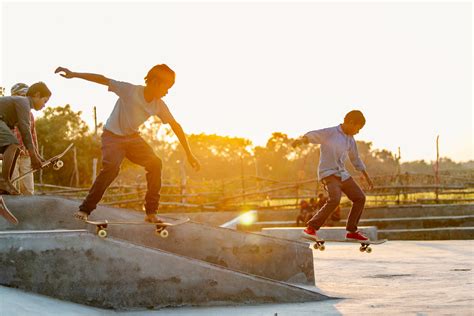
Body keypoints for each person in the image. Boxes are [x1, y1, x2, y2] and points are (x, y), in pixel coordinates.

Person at [55, 65, 200, 223]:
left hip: (133, 139)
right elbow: (102, 79)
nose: (167, 92)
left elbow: (176, 126)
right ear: (155, 82)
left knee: (155, 163)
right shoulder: (129, 90)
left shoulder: (159, 105)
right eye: (167, 87)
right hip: (112, 137)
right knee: (111, 169)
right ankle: (85, 210)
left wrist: (189, 153)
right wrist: (74, 74)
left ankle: (151, 213)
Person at [292, 110, 374, 242]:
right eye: (357, 129)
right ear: (351, 123)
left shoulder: (351, 140)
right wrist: (302, 140)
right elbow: (314, 135)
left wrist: (366, 176)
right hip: (328, 173)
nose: (357, 132)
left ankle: (352, 231)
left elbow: (355, 159)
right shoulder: (331, 132)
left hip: (342, 174)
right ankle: (311, 228)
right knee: (335, 199)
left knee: (360, 198)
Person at [0, 82, 50, 194]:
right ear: (37, 95)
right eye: (44, 101)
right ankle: (4, 180)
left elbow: (25, 134)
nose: (44, 105)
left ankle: (4, 184)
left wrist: (36, 155)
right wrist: (33, 156)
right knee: (13, 143)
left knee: (15, 147)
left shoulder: (18, 107)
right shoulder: (23, 102)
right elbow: (25, 130)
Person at [10, 83, 39, 195]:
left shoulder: (30, 115)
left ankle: (27, 210)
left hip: (26, 155)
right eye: (20, 96)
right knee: (11, 186)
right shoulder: (8, 113)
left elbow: (33, 135)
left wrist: (35, 154)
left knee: (28, 188)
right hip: (12, 156)